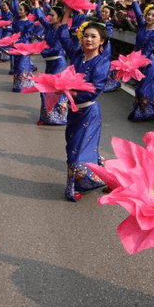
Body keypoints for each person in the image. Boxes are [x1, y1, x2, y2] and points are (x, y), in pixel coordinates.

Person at [57, 16, 109, 202]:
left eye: (93, 36)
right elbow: (63, 37)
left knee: (77, 151)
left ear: (101, 40)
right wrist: (67, 12)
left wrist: (69, 90)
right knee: (71, 146)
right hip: (74, 111)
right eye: (86, 36)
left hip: (88, 112)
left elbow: (94, 90)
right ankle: (107, 172)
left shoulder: (101, 63)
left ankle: (73, 187)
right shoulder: (78, 56)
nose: (88, 39)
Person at [127, 0, 154, 121]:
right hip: (136, 60)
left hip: (148, 63)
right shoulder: (141, 26)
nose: (150, 17)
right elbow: (137, 11)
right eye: (148, 15)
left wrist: (136, 61)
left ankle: (150, 111)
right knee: (140, 87)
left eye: (153, 16)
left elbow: (148, 50)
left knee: (144, 89)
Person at [32, 0, 68, 125]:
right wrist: (36, 1)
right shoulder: (50, 27)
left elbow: (57, 48)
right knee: (45, 89)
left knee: (56, 90)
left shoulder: (62, 31)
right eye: (50, 14)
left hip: (59, 63)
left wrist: (39, 53)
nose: (50, 17)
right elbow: (40, 17)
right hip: (50, 64)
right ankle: (47, 117)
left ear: (60, 17)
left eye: (52, 15)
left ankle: (59, 117)